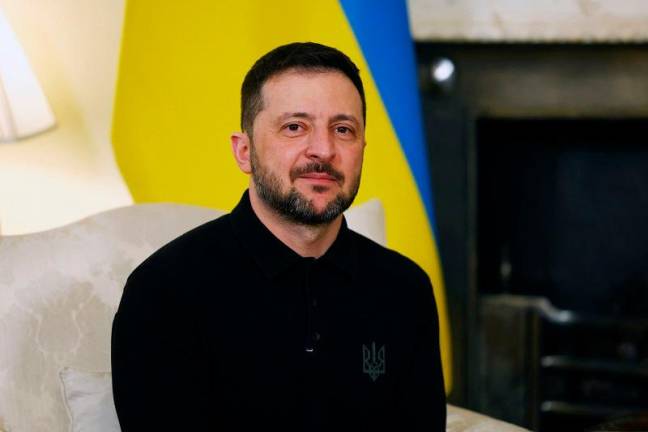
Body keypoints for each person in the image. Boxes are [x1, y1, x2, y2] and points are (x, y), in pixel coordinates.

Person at [111, 41, 446, 431]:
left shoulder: (405, 289)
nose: (323, 150)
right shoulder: (163, 291)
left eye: (343, 129)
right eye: (294, 127)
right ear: (244, 152)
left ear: (362, 149)